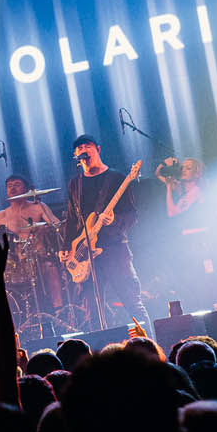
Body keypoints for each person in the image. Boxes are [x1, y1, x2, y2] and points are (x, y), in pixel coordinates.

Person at [61, 134, 147, 326]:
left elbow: (132, 215)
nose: (83, 150)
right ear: (75, 155)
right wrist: (67, 246)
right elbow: (72, 218)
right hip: (86, 256)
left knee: (133, 304)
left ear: (98, 149)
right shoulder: (76, 184)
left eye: (87, 146)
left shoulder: (116, 178)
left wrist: (115, 219)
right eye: (79, 148)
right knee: (93, 313)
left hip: (115, 250)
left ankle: (150, 347)